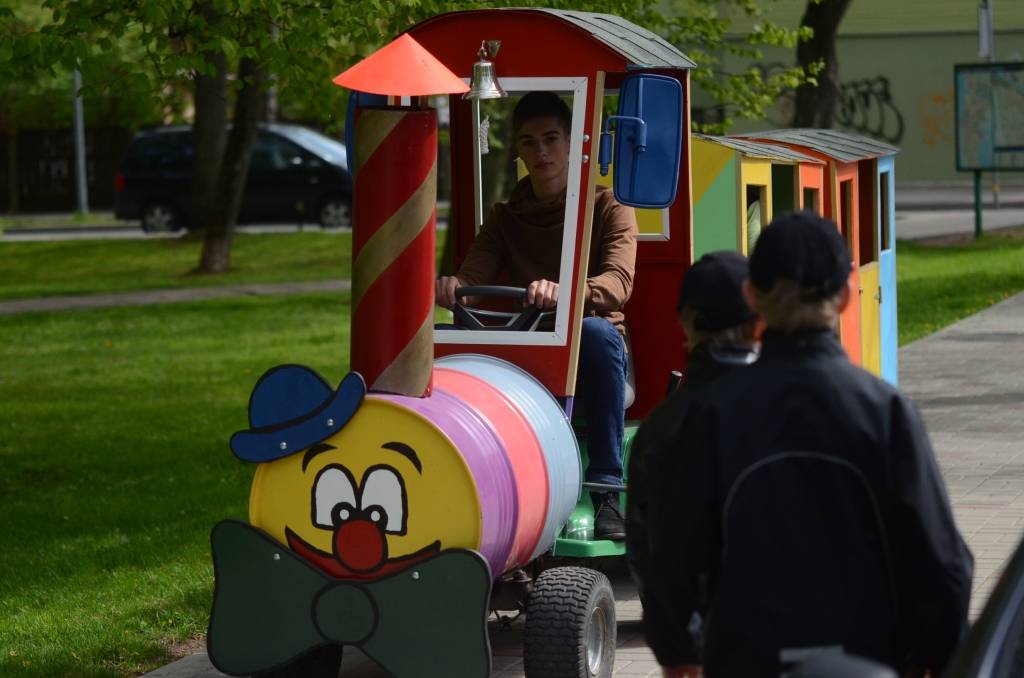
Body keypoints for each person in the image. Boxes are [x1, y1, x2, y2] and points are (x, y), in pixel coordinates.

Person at [642, 212, 974, 678]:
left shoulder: (706, 415)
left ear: (752, 297)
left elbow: (672, 559)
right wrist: (932, 657)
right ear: (845, 294)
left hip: (747, 662)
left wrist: (679, 653)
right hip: (870, 661)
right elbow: (944, 566)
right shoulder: (887, 412)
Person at [435, 91, 638, 540]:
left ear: (572, 144)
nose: (541, 152)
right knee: (444, 341)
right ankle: (464, 486)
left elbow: (617, 284)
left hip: (593, 353)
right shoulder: (506, 217)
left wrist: (566, 292)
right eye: (529, 142)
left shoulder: (609, 208)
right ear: (520, 151)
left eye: (551, 139)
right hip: (525, 348)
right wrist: (453, 288)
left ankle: (606, 491)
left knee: (595, 332)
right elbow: (471, 278)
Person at [625, 250, 759, 673]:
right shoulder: (798, 408)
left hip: (703, 651)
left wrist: (676, 650)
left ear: (686, 323)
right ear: (759, 322)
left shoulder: (660, 429)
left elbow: (651, 555)